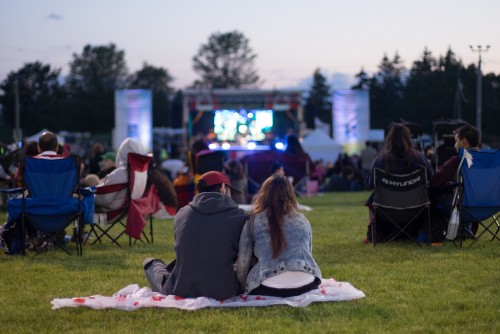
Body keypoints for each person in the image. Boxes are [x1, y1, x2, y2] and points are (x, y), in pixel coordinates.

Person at [143, 171, 247, 300]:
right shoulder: (240, 216)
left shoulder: (182, 214)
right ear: (223, 188)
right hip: (224, 290)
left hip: (180, 289)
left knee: (150, 263)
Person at [236, 174, 322, 297]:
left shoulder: (253, 222)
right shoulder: (303, 221)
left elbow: (242, 263)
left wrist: (243, 287)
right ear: (291, 195)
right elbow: (308, 255)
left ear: (263, 195)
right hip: (307, 285)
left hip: (267, 288)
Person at [364, 123, 434, 243]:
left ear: (389, 140)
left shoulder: (380, 161)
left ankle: (374, 234)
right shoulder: (419, 158)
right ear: (408, 139)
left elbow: (370, 184)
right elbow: (432, 179)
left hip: (386, 213)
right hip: (416, 211)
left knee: (372, 197)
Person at [430, 124, 480, 240]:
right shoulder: (487, 160)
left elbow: (435, 181)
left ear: (465, 142)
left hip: (464, 207)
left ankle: (449, 230)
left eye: (456, 141)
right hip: (487, 205)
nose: (455, 145)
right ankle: (467, 229)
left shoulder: (457, 160)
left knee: (437, 194)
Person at [94, 138, 144, 212]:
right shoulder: (141, 174)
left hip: (112, 210)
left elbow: (105, 199)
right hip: (132, 208)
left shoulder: (119, 174)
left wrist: (91, 196)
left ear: (121, 153)